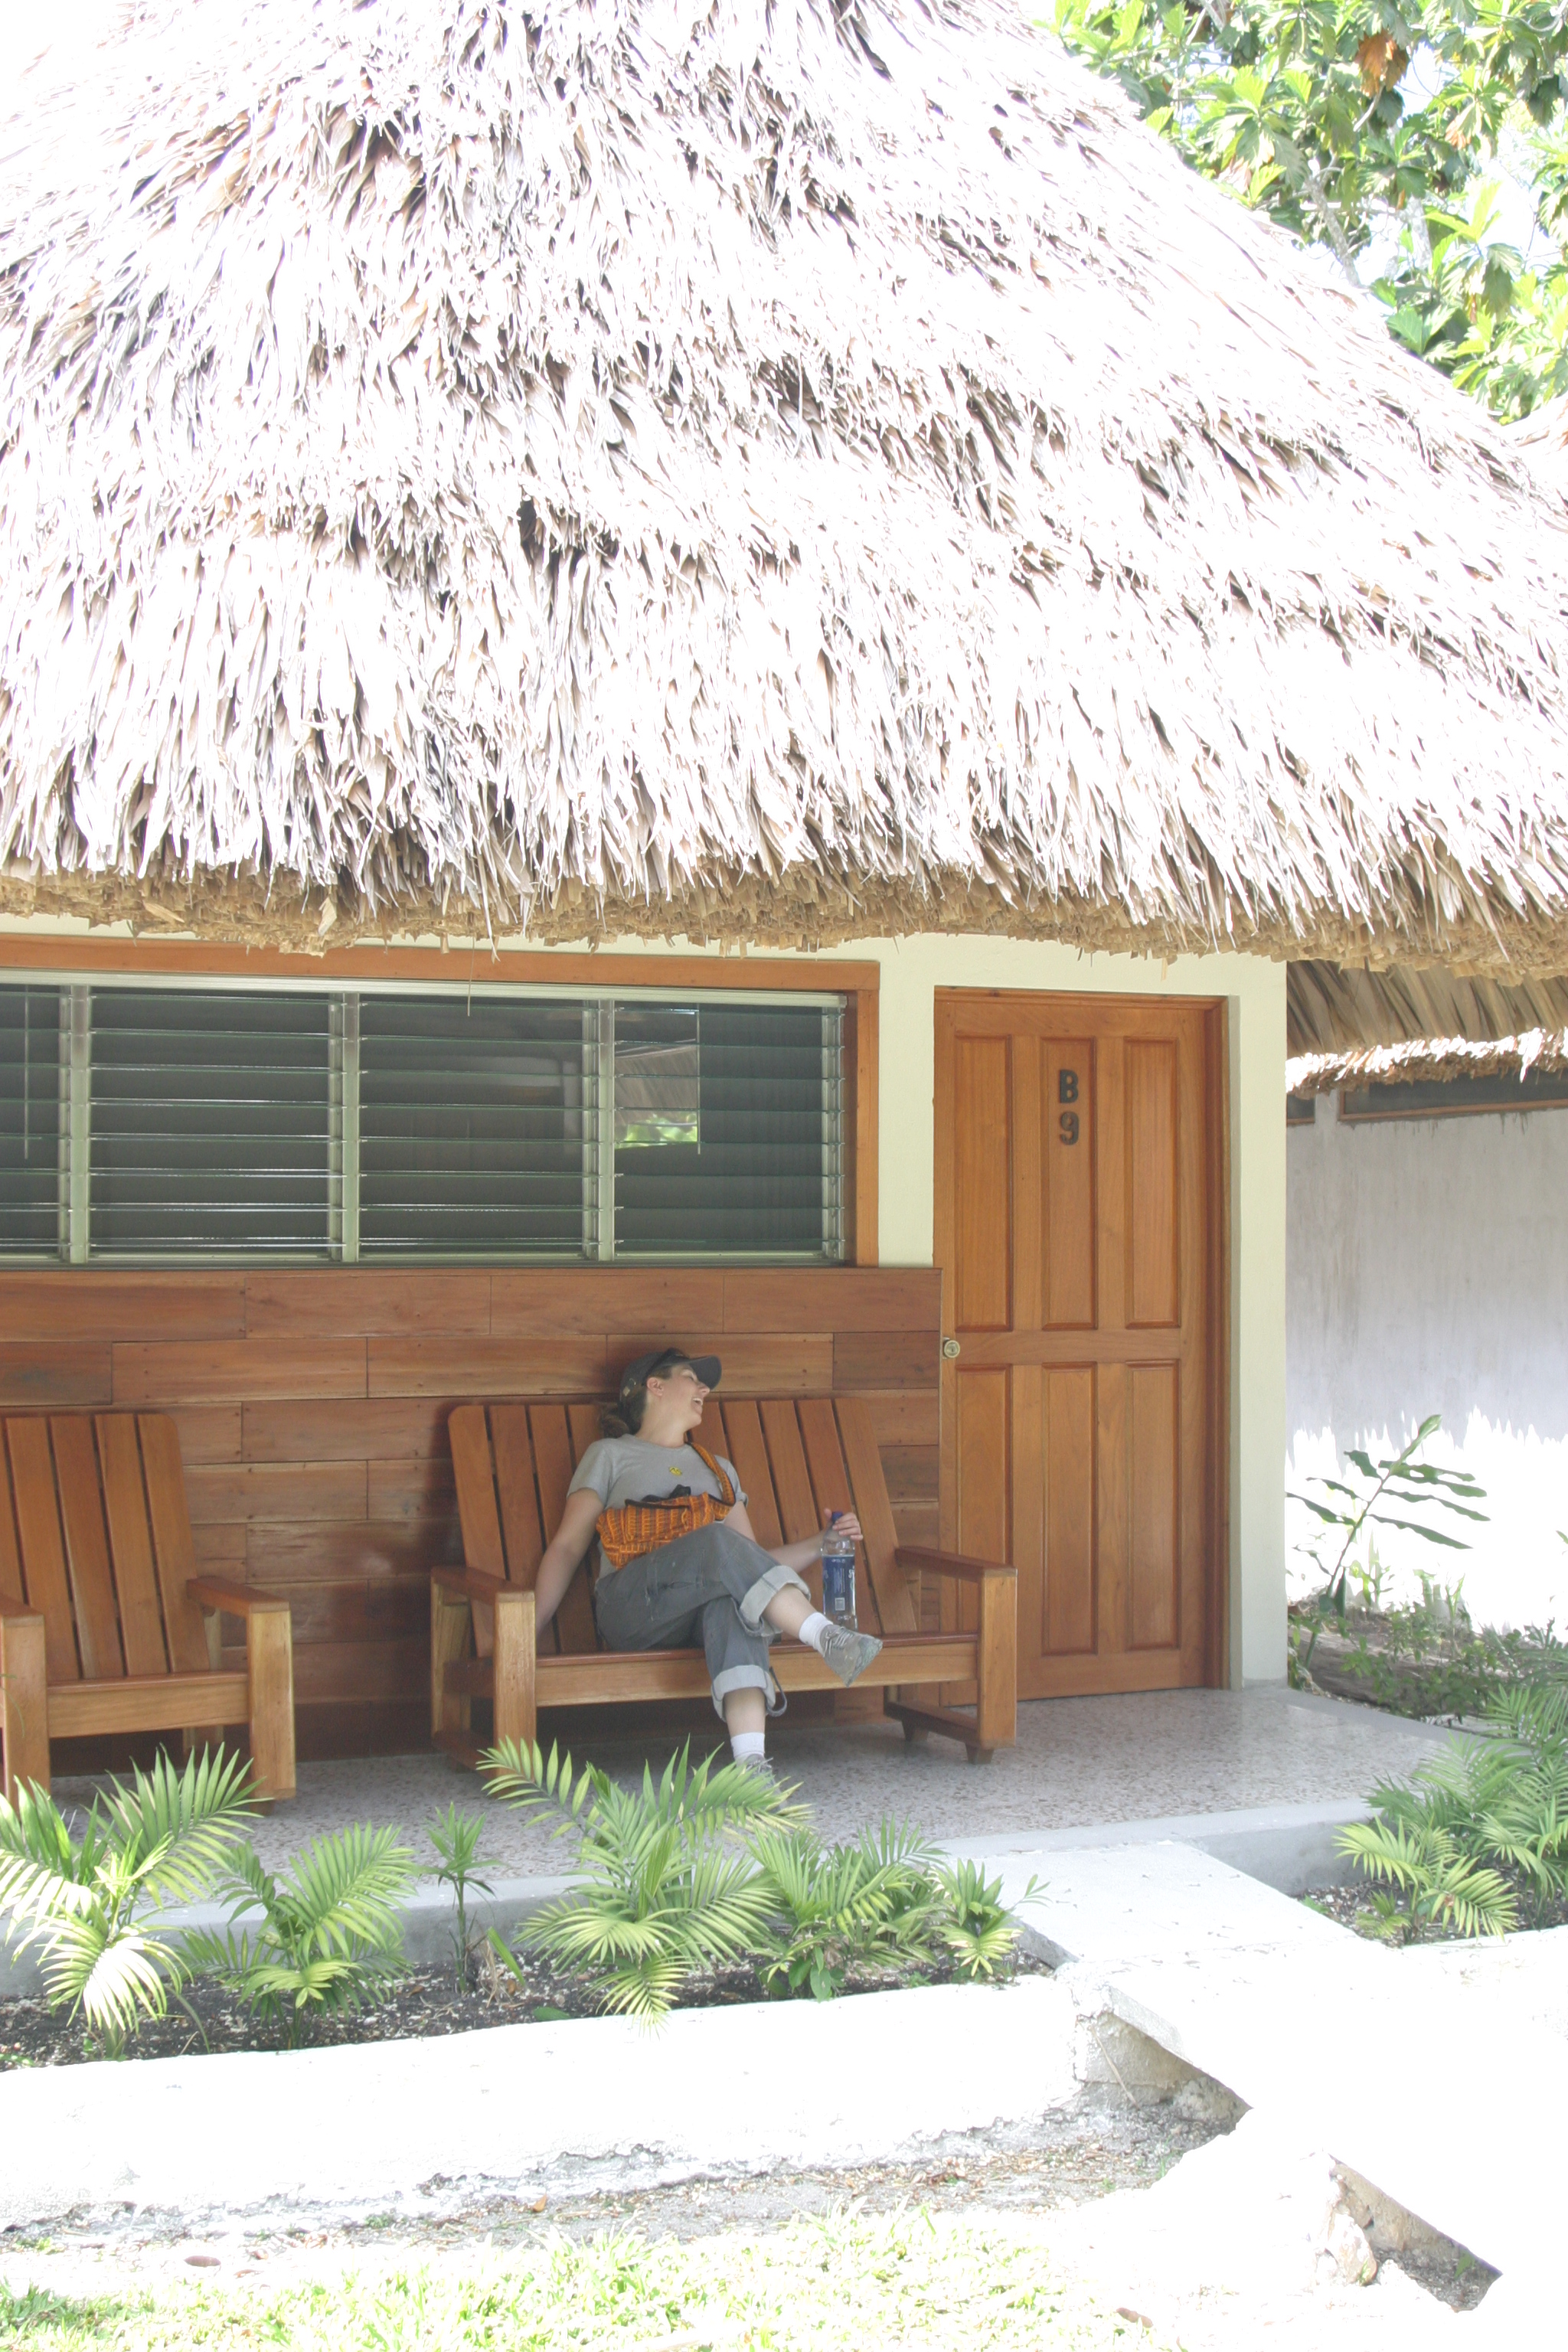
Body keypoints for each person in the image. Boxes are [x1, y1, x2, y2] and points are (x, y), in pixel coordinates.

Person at [528, 1347, 883, 1772]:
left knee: (734, 1605)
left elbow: (748, 1564)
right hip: (631, 1607)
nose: (705, 1389)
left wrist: (822, 1543)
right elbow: (567, 1547)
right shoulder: (609, 1455)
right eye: (691, 1378)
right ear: (655, 1386)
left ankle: (751, 1767)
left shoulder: (718, 1470)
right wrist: (526, 1630)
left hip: (694, 1614)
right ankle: (827, 1638)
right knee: (716, 1541)